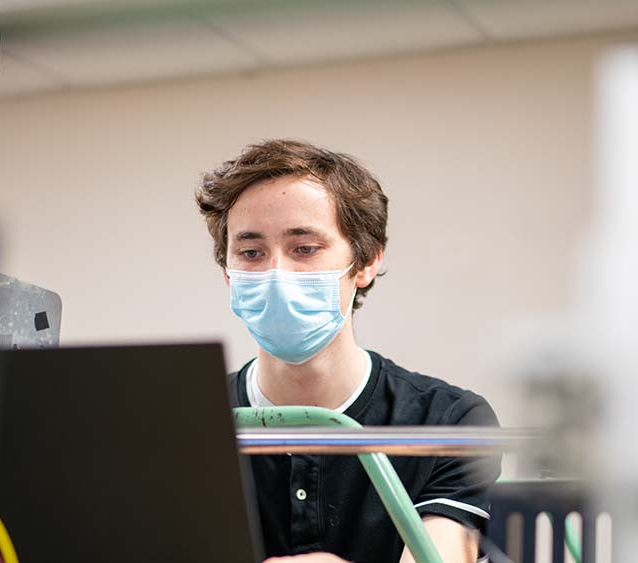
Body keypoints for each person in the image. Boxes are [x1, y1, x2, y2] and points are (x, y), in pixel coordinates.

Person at [195, 139, 501, 563]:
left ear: (366, 262)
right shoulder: (187, 426)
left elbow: (442, 554)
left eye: (304, 248)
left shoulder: (448, 423)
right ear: (228, 273)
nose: (276, 273)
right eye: (251, 252)